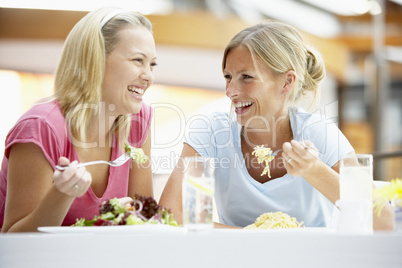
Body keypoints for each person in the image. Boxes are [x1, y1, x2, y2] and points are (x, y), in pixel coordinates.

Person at [159, 20, 393, 230]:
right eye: (228, 77)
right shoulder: (212, 131)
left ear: (286, 82)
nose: (230, 91)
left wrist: (315, 171)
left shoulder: (320, 132)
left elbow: (384, 220)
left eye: (246, 77)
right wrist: (258, 239)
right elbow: (173, 215)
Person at [0, 7, 157, 232]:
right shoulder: (40, 128)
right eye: (137, 60)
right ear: (94, 60)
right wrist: (62, 194)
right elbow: (13, 241)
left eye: (152, 64)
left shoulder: (138, 119)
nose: (149, 76)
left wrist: (116, 218)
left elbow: (143, 217)